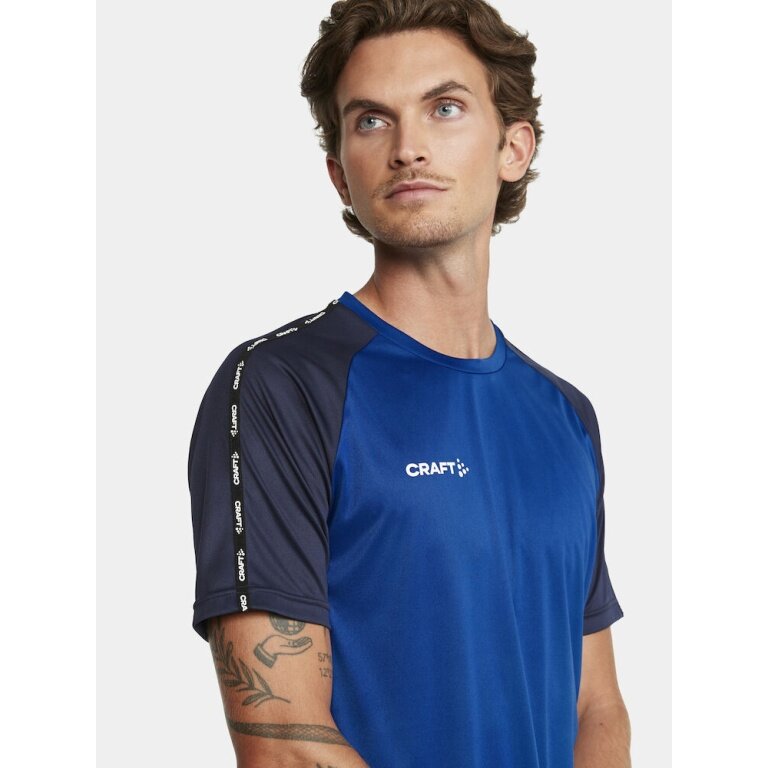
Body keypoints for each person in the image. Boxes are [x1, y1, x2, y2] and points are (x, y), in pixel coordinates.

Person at [187, 0, 632, 765]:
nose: (407, 149)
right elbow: (285, 741)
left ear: (513, 147)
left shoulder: (566, 415)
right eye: (371, 121)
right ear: (340, 174)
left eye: (445, 108)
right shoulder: (280, 388)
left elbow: (596, 705)